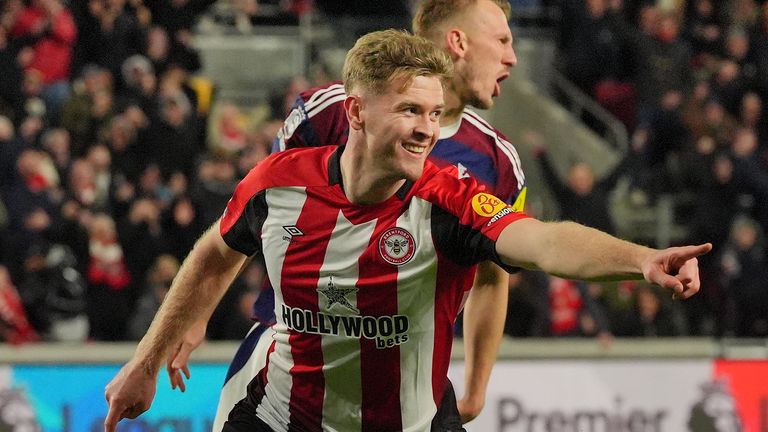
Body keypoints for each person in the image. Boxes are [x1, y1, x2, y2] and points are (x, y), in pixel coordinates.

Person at [105, 29, 710, 432]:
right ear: (357, 112)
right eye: (410, 111)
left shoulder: (450, 199)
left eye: (433, 113)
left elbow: (543, 240)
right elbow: (213, 253)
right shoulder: (277, 184)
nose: (427, 129)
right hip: (281, 417)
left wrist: (641, 259)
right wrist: (146, 360)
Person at [170, 0, 524, 428]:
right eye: (502, 40)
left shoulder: (500, 163)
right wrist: (194, 315)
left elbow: (491, 275)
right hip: (289, 352)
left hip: (397, 380)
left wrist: (477, 384)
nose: (512, 56)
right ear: (458, 41)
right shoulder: (330, 111)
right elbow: (252, 219)